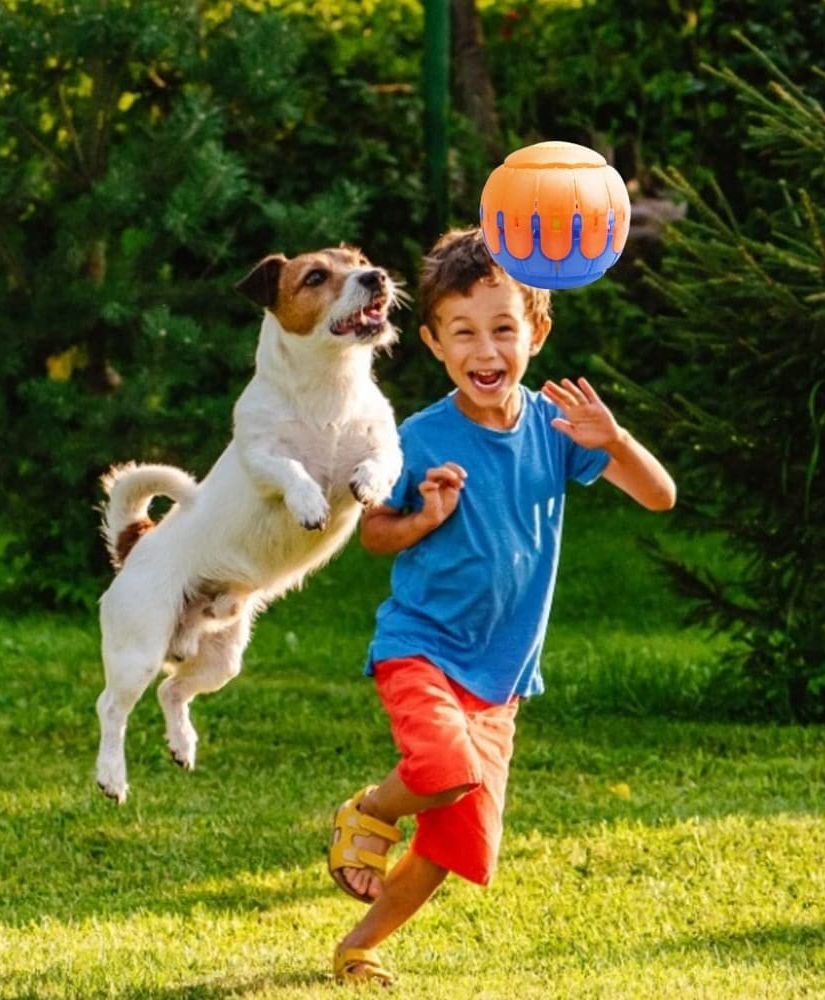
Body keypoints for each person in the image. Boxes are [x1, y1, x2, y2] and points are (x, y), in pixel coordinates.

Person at [327, 227, 676, 985]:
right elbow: (374, 535)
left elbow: (659, 495)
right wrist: (422, 518)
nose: (486, 351)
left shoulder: (558, 431)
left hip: (500, 677)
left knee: (457, 844)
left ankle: (360, 945)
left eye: (504, 329)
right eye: (464, 333)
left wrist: (613, 439)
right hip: (422, 645)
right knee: (442, 767)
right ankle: (371, 812)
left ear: (537, 333)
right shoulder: (416, 437)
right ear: (432, 343)